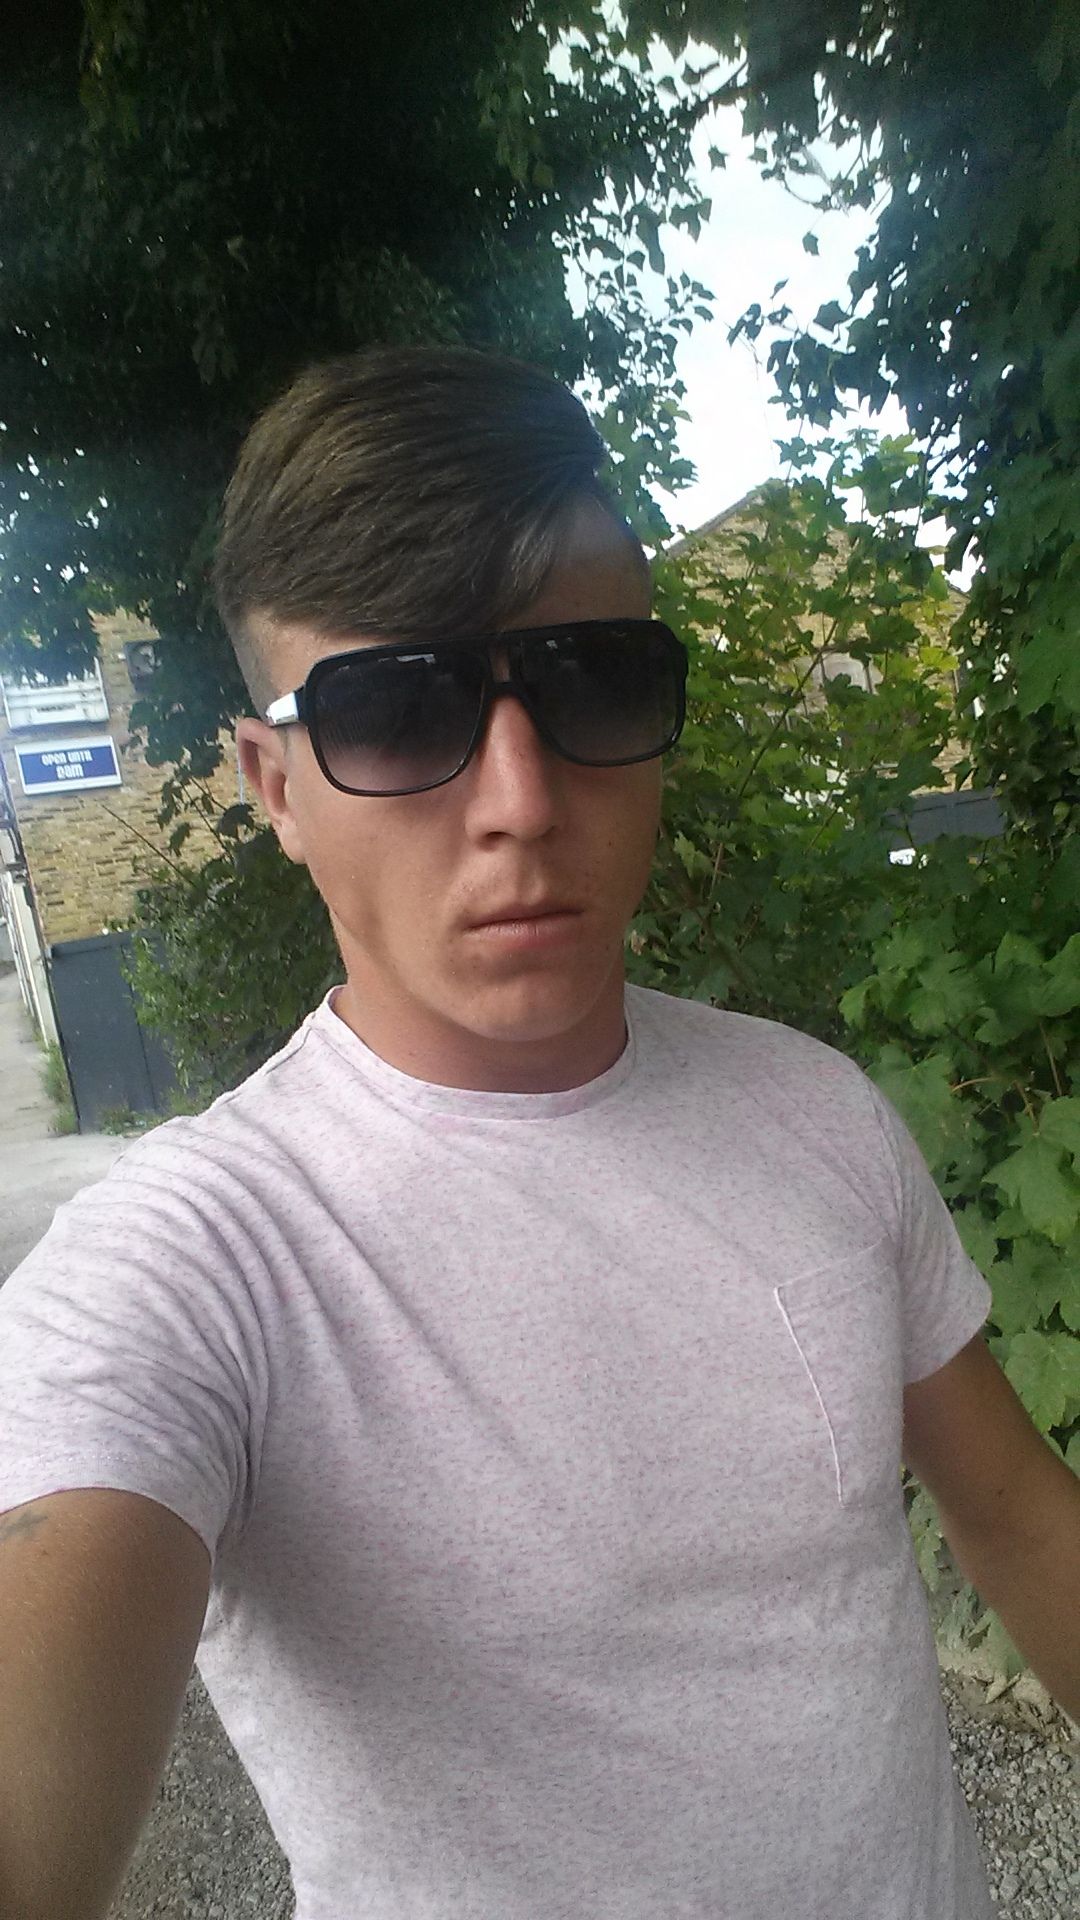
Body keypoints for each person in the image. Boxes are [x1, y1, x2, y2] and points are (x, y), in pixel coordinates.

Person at [0, 346, 1076, 1920]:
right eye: (393, 711)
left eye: (591, 684)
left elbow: (1023, 1519)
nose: (520, 796)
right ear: (274, 785)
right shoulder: (202, 1263)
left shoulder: (816, 1113)